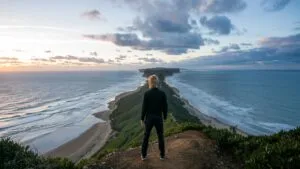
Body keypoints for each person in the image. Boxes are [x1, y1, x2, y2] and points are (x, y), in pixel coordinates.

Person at [141, 74, 168, 161]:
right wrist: (165, 116)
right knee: (160, 136)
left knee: (146, 136)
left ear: (150, 82)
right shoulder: (162, 93)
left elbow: (144, 107)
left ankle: (143, 155)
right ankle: (162, 155)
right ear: (157, 83)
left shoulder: (147, 93)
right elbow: (165, 106)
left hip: (149, 118)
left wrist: (142, 118)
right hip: (158, 118)